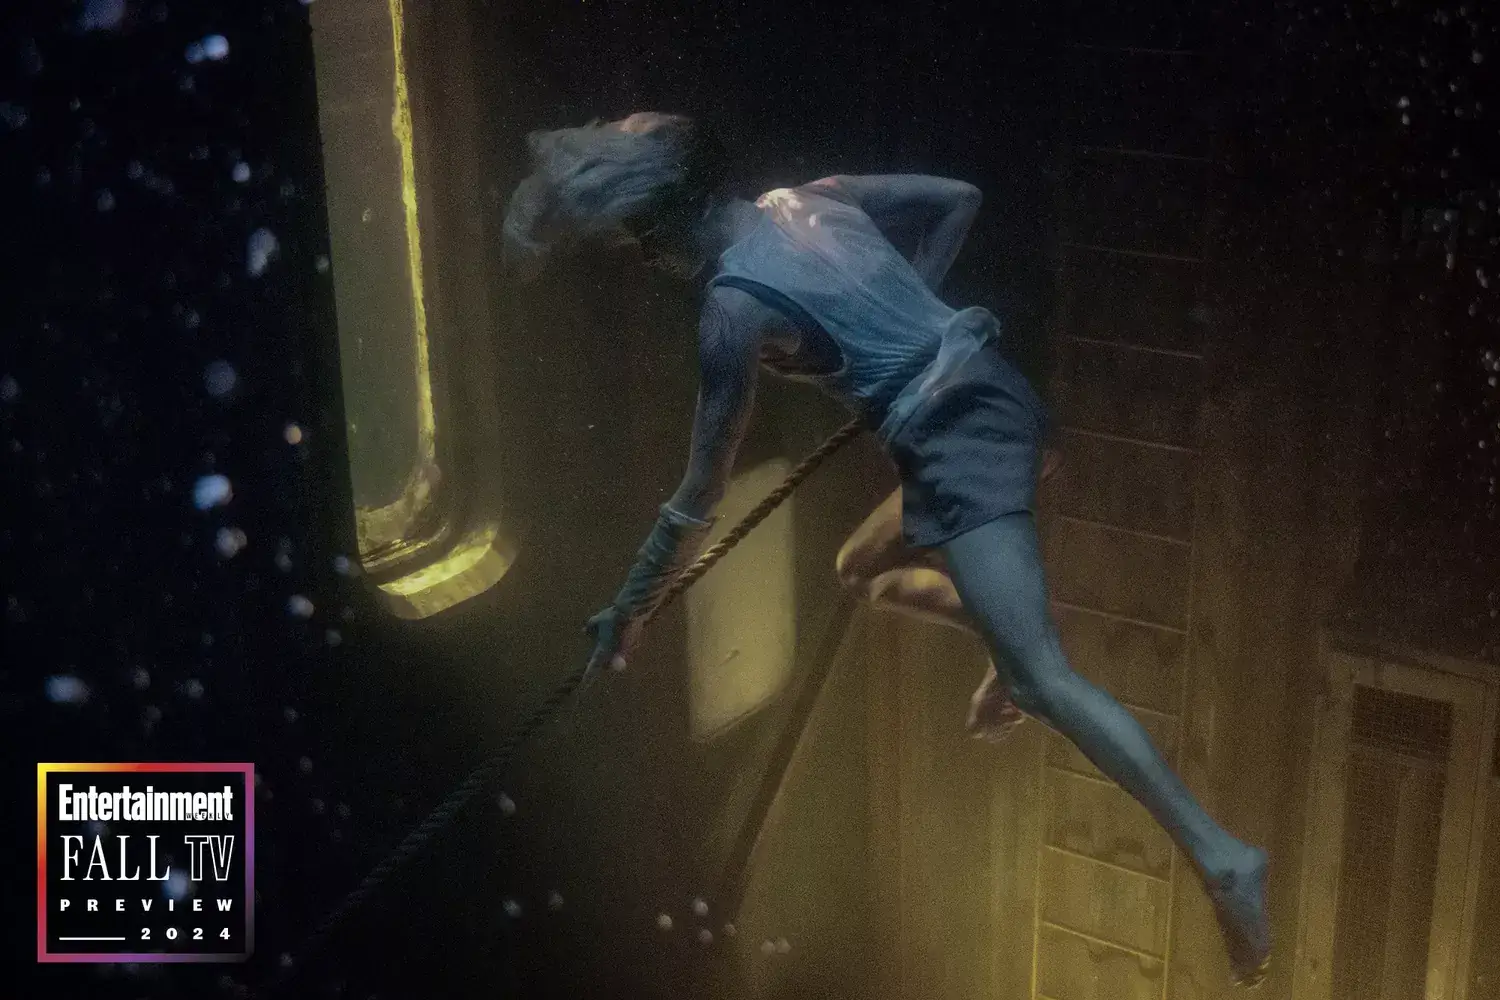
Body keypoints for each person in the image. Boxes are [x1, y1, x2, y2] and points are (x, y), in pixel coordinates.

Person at [503, 111, 1270, 986]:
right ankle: (1007, 629)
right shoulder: (812, 198)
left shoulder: (731, 309)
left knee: (1042, 682)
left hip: (958, 443)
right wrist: (909, 325)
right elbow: (958, 198)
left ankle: (1223, 858)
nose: (645, 257)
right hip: (990, 390)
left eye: (642, 234)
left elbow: (697, 499)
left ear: (674, 214)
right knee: (859, 570)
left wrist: (629, 609)